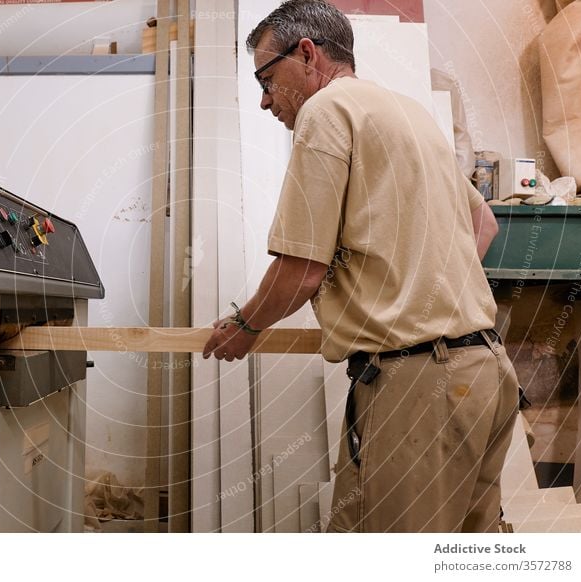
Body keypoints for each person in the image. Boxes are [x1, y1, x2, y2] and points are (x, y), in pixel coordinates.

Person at [202, 0, 518, 533]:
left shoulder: (325, 112)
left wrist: (246, 326)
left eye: (266, 78)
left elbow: (301, 267)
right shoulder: (408, 113)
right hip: (484, 374)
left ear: (306, 54)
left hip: (421, 386)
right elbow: (482, 224)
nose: (262, 100)